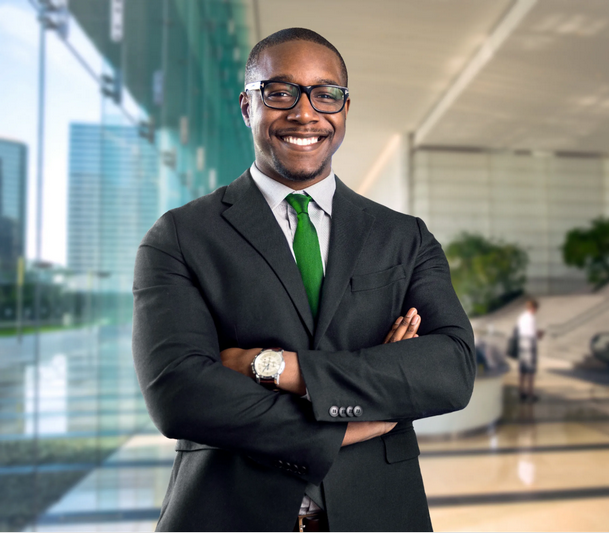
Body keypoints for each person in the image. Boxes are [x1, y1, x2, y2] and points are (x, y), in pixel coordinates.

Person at [132, 28, 475, 532]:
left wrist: (274, 367)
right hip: (227, 515)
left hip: (380, 515)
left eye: (325, 94)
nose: (305, 112)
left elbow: (451, 369)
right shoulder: (180, 236)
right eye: (280, 91)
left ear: (344, 110)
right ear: (248, 106)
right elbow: (179, 394)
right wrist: (357, 420)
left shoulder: (404, 237)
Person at [516, 299, 542, 401]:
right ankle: (530, 393)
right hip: (530, 344)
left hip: (522, 343)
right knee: (531, 371)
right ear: (533, 308)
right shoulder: (531, 318)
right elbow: (533, 334)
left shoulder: (522, 317)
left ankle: (521, 392)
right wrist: (539, 334)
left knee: (522, 370)